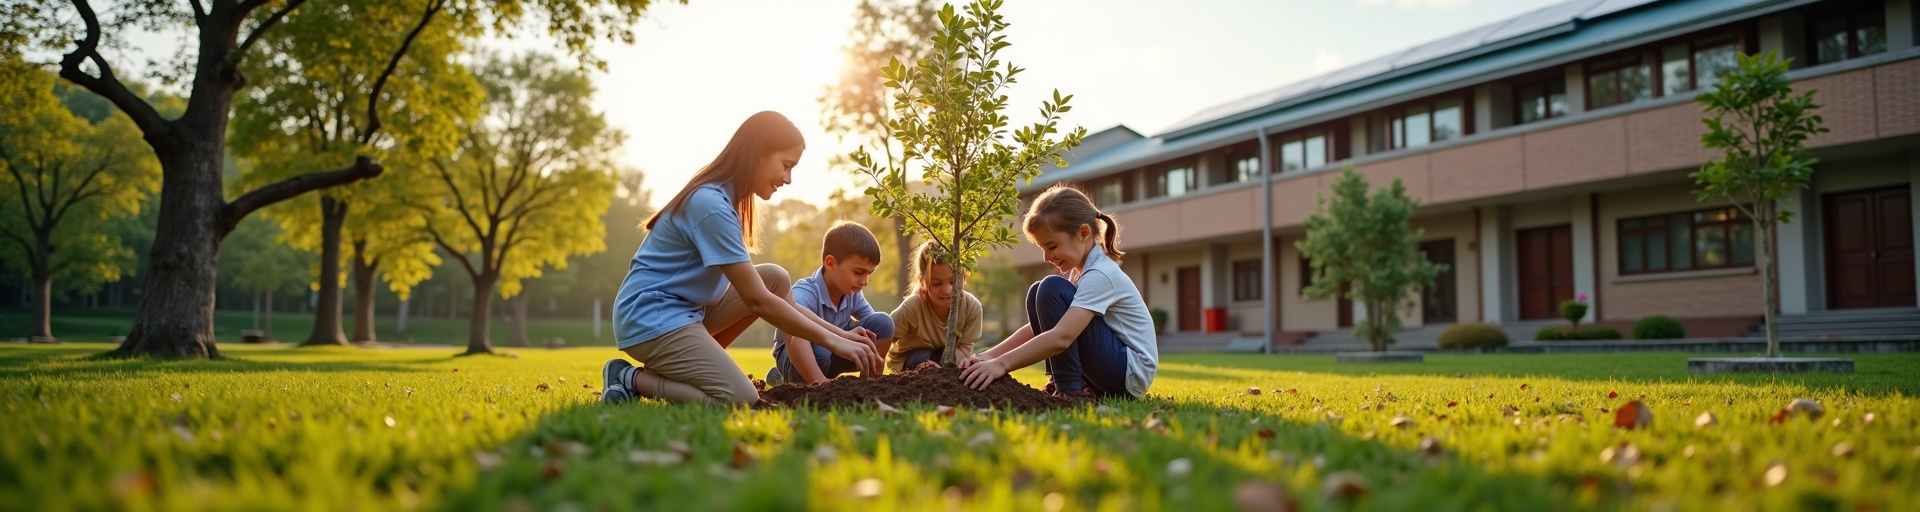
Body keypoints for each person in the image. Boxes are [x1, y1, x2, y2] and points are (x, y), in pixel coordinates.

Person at [600, 111, 881, 406]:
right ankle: (630, 378)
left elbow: (781, 302)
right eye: (786, 166)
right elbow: (757, 300)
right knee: (741, 399)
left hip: (687, 312)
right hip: (651, 317)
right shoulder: (711, 205)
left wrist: (841, 335)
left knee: (774, 278)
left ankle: (682, 371)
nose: (788, 179)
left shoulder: (726, 201)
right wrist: (834, 342)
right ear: (759, 153)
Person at [957, 184, 1157, 400]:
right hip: (1114, 368)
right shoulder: (1081, 272)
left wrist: (1001, 364)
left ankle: (1071, 390)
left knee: (1051, 288)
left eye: (1051, 247)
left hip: (1127, 374)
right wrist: (989, 355)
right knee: (1038, 291)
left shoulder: (1100, 274)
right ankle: (1068, 383)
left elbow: (1062, 336)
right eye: (1043, 249)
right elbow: (1040, 329)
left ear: (1083, 232)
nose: (1046, 257)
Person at [764, 221, 896, 385]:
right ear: (831, 263)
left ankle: (868, 382)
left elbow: (875, 328)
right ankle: (807, 382)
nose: (865, 281)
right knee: (815, 346)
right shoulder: (806, 291)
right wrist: (823, 386)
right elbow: (795, 325)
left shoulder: (852, 292)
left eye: (869, 273)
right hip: (795, 358)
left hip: (833, 353)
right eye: (858, 272)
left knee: (883, 323)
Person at [885, 240, 983, 373]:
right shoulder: (913, 307)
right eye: (937, 284)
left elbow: (965, 350)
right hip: (914, 357)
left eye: (953, 281)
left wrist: (947, 366)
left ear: (964, 276)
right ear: (923, 282)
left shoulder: (972, 307)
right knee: (922, 358)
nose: (947, 290)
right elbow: (886, 336)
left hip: (949, 357)